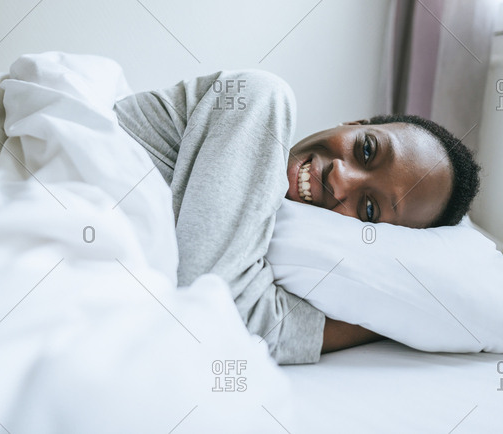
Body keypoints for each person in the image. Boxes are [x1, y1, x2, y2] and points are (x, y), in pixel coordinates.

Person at [113, 70, 480, 364]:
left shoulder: (266, 234)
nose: (340, 176)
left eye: (369, 209)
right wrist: (380, 324)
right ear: (354, 123)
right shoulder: (261, 96)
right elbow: (212, 311)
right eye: (366, 149)